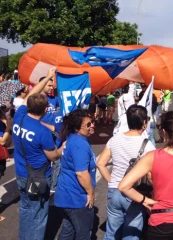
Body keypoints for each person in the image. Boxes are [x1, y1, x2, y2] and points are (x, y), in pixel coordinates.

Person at [119, 111, 173, 240]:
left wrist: (146, 200)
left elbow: (123, 186)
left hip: (160, 222)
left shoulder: (152, 157)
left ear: (164, 132)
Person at [13, 68, 64, 239]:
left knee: (26, 210)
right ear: (44, 111)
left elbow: (31, 94)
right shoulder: (42, 132)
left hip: (21, 174)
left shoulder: (19, 116)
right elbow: (52, 156)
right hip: (38, 177)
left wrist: (49, 76)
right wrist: (63, 148)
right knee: (38, 216)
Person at [97, 105, 155, 239]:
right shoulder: (148, 146)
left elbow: (101, 164)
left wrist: (112, 180)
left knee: (111, 233)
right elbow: (151, 175)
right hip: (135, 193)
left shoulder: (114, 139)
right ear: (144, 123)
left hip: (114, 191)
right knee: (131, 235)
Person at [54, 109, 96, 239]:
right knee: (83, 233)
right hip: (76, 198)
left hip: (66, 196)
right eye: (88, 125)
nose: (92, 125)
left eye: (92, 122)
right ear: (77, 129)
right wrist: (90, 193)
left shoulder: (73, 139)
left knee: (68, 230)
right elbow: (82, 173)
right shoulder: (80, 145)